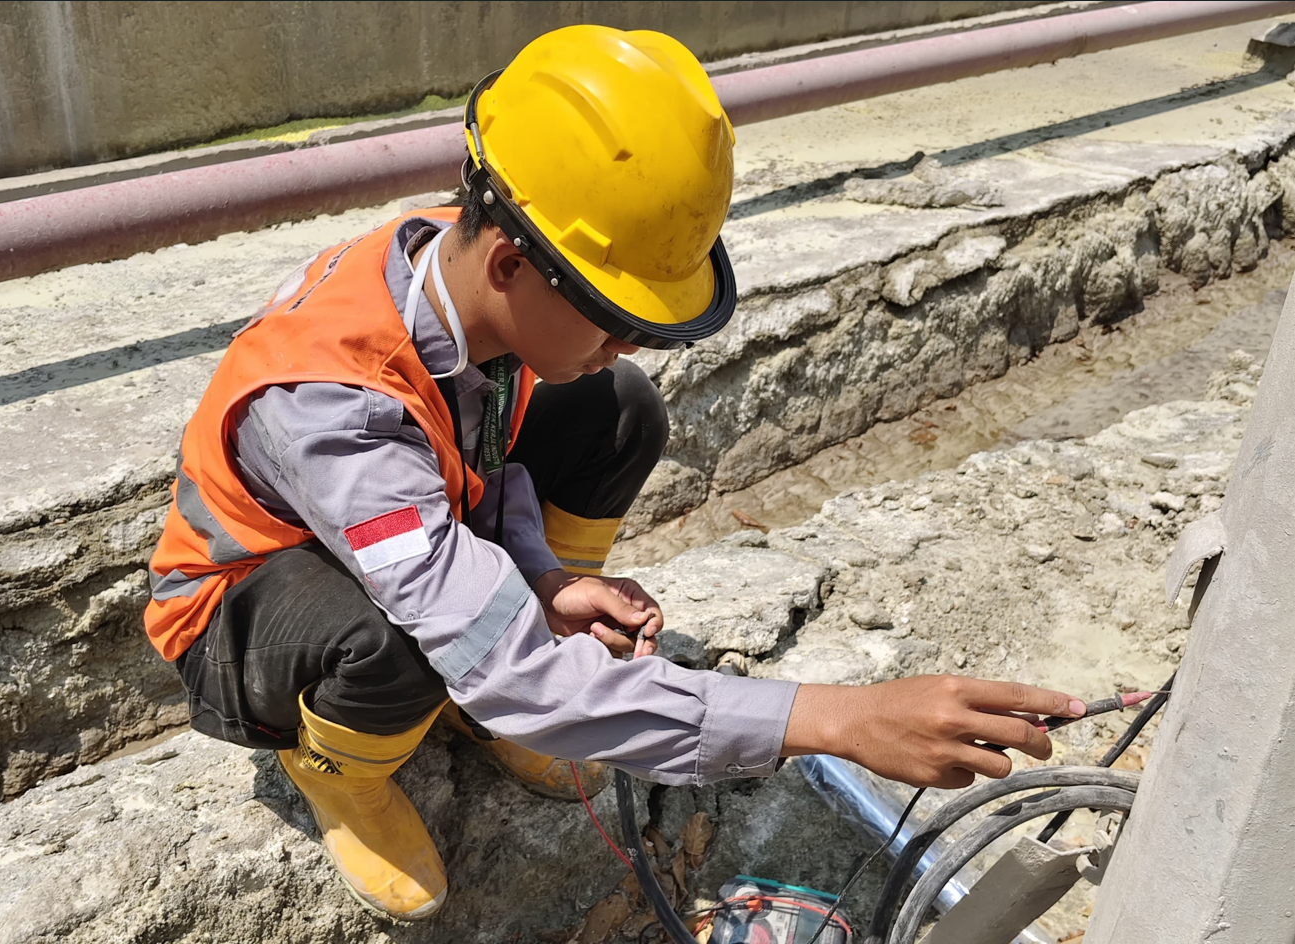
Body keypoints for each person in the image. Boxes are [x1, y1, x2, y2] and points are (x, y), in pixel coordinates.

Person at [142, 25, 1087, 920]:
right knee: (396, 641)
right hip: (245, 605)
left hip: (381, 527)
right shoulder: (333, 408)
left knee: (616, 406)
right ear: (510, 265)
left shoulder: (458, 257)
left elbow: (474, 455)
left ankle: (501, 670)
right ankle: (341, 770)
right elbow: (482, 627)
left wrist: (543, 581)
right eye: (613, 316)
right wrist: (834, 719)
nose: (629, 341)